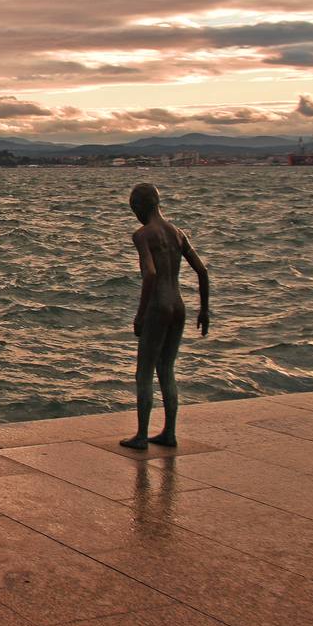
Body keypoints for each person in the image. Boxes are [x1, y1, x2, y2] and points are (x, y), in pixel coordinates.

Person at [120, 184, 209, 450]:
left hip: (158, 306)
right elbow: (202, 271)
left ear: (137, 208)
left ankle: (141, 435)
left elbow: (150, 274)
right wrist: (204, 309)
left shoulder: (143, 235)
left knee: (144, 373)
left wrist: (140, 313)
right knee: (167, 369)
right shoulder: (177, 233)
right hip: (178, 306)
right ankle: (169, 432)